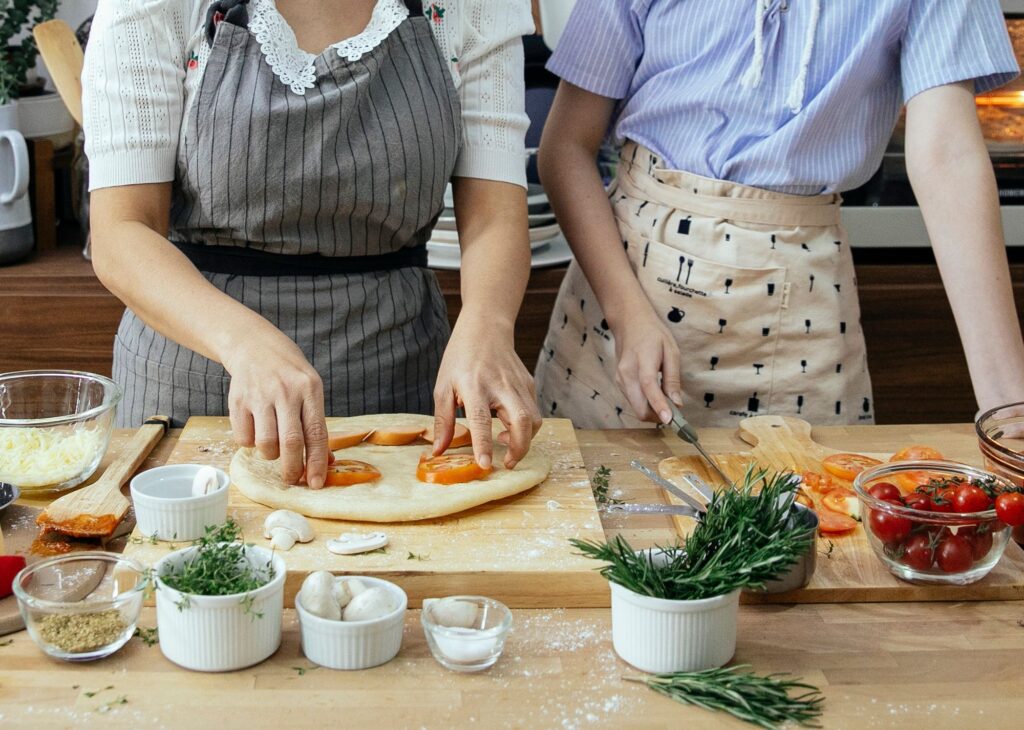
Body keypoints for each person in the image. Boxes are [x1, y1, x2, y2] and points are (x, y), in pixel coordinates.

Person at [83, 0, 542, 489]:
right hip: (193, 392)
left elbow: (494, 215)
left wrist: (488, 325)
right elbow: (122, 231)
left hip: (396, 382)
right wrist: (242, 342)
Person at [534, 0, 1024, 429]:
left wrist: (1010, 407)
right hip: (624, 294)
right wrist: (627, 316)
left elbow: (948, 157)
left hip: (805, 308)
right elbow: (565, 148)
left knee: (815, 523)